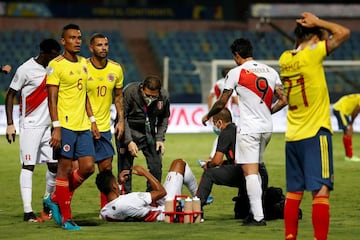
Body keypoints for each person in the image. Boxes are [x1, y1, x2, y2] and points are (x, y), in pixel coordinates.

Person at [278, 12, 350, 240]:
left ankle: (290, 237)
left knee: (294, 192)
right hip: (315, 133)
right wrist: (319, 22)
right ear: (315, 38)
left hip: (292, 136)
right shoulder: (312, 55)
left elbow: (300, 47)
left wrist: (307, 33)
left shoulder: (285, 59)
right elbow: (343, 33)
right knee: (321, 191)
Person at [202, 38, 287, 226]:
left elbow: (223, 101)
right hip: (267, 128)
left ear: (236, 55)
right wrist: (267, 111)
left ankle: (257, 217)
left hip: (249, 129)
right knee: (256, 169)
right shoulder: (271, 71)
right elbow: (284, 100)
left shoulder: (236, 73)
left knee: (250, 172)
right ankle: (253, 212)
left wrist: (209, 115)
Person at [44, 23, 100, 231]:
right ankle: (67, 219)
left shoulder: (85, 63)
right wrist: (56, 126)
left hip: (83, 125)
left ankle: (54, 197)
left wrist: (92, 120)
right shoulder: (55, 65)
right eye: (72, 38)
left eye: (79, 37)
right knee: (65, 169)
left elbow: (85, 94)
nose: (77, 41)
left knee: (87, 168)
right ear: (63, 41)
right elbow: (52, 98)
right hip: (65, 125)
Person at [5, 39, 61, 222]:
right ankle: (28, 211)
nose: (55, 58)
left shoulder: (53, 68)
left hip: (48, 127)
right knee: (28, 166)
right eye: (53, 55)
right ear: (44, 53)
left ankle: (47, 202)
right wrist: (10, 124)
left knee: (54, 165)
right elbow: (10, 94)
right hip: (30, 125)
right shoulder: (25, 69)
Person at [196, 108, 268, 218]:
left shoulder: (225, 133)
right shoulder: (238, 130)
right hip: (259, 172)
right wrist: (223, 163)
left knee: (209, 174)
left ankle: (196, 207)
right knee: (240, 213)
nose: (214, 126)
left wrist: (208, 165)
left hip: (244, 173)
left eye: (214, 123)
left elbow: (216, 161)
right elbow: (236, 159)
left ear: (219, 122)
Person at [87, 32, 125, 209]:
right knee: (79, 169)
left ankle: (108, 210)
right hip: (81, 126)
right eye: (99, 45)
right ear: (91, 48)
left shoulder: (116, 69)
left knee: (107, 170)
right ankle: (58, 204)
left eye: (106, 45)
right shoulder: (83, 67)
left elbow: (118, 97)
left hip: (104, 127)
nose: (103, 48)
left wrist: (121, 120)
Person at [115, 75, 170, 193]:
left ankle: (152, 197)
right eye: (147, 95)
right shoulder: (130, 92)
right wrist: (128, 141)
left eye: (153, 96)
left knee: (156, 166)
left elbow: (164, 117)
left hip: (149, 133)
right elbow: (122, 117)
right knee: (125, 168)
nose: (150, 98)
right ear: (142, 89)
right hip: (127, 128)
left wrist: (160, 138)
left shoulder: (164, 96)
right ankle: (125, 198)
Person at [96, 158, 198, 222]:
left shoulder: (105, 212)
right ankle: (199, 197)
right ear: (114, 186)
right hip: (168, 209)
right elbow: (162, 192)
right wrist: (145, 172)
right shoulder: (132, 199)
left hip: (151, 208)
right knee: (179, 163)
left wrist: (120, 184)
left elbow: (118, 204)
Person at [332, 94, 360, 162]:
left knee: (348, 131)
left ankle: (348, 156)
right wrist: (351, 123)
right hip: (340, 109)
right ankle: (349, 157)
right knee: (348, 130)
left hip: (341, 109)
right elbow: (356, 111)